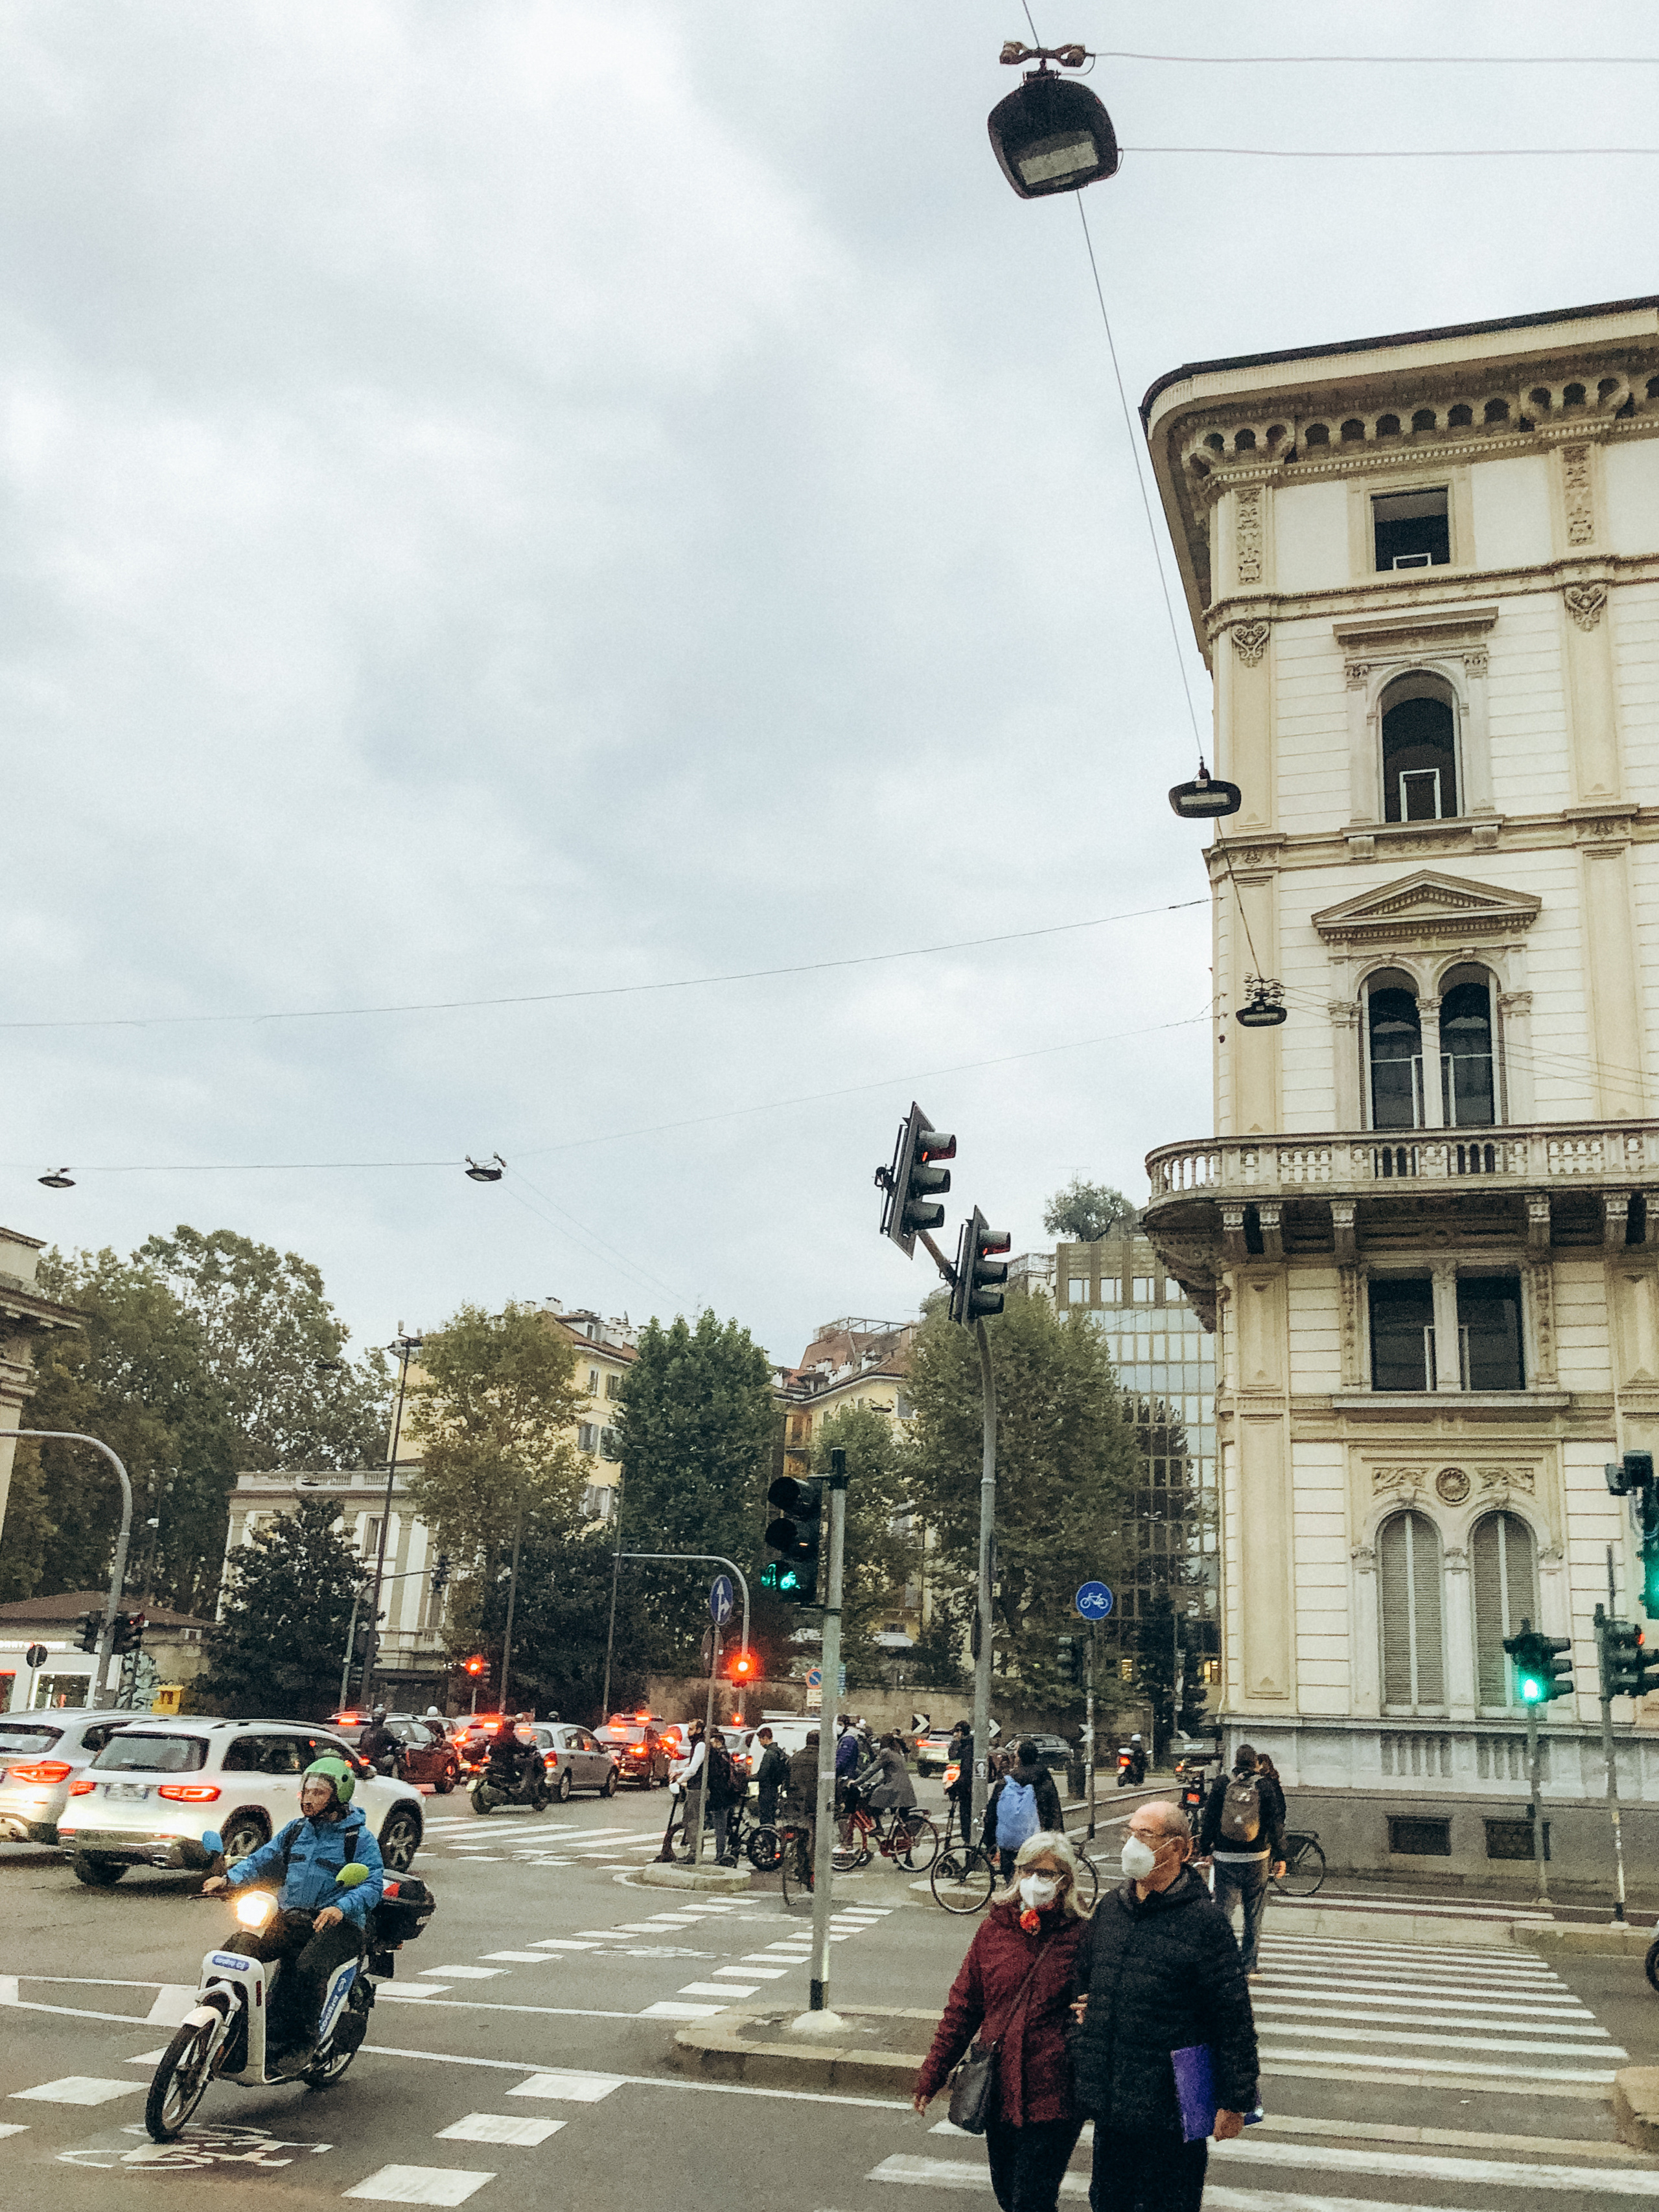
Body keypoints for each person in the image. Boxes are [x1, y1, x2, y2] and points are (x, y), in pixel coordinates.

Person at [1070, 1799, 1259, 2212]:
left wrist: (1235, 2099)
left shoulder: (1204, 1923)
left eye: (1144, 1835)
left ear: (1177, 1849)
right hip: (1114, 2100)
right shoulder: (1112, 1909)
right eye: (1129, 1833)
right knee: (1108, 2202)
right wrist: (1086, 2017)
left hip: (1171, 2106)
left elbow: (1232, 2016)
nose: (1131, 1845)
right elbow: (1084, 1979)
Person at [913, 1832, 1093, 2212]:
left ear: (1066, 1882)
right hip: (998, 2088)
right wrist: (934, 2073)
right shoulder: (994, 1929)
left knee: (1032, 2199)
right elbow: (963, 2008)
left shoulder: (1081, 1936)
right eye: (1030, 1870)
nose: (1037, 1881)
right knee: (1008, 2195)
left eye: (1049, 1873)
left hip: (1054, 2093)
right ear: (1017, 1873)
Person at [202, 1757, 384, 2063]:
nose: (309, 1800)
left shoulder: (358, 1839)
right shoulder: (296, 1830)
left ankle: (302, 2044)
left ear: (338, 1797)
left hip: (340, 1926)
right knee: (238, 1951)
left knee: (308, 1968)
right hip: (294, 1917)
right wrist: (227, 1879)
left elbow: (373, 1884)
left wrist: (341, 1908)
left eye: (319, 1793)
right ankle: (236, 2032)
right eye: (307, 1792)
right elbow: (262, 1861)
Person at [1196, 1742, 1286, 1979]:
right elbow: (1276, 1823)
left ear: (1235, 1763)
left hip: (1225, 1858)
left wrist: (1205, 1847)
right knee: (1253, 1914)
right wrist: (1281, 1856)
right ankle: (1249, 1965)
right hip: (1257, 1858)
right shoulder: (1266, 1786)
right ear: (1256, 1763)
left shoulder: (1222, 1783)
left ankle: (1219, 1962)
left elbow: (1210, 1817)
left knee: (1223, 1912)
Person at [984, 1738, 1064, 1881]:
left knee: (1011, 1879)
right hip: (1038, 1842)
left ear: (1019, 1758)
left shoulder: (1006, 1782)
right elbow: (1054, 1809)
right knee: (1037, 1879)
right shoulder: (1044, 1777)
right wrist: (1059, 1836)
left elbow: (992, 1815)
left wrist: (989, 1842)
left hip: (1011, 1843)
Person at [703, 1727, 743, 1865]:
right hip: (729, 1795)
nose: (710, 1742)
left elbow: (716, 1778)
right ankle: (729, 1849)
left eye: (712, 1740)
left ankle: (720, 1854)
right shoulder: (725, 1755)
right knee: (725, 1825)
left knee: (720, 1827)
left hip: (721, 1797)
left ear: (718, 1741)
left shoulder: (719, 1756)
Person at [869, 1732, 917, 1835]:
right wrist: (877, 1783)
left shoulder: (886, 1752)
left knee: (874, 1802)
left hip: (895, 1788)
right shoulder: (898, 1753)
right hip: (906, 1789)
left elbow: (873, 1769)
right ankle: (904, 1838)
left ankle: (879, 1827)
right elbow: (891, 1773)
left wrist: (858, 1782)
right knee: (903, 1817)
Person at [753, 1727, 790, 1825]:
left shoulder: (769, 1754)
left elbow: (762, 1774)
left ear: (765, 1738)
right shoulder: (778, 1751)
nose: (760, 1743)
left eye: (760, 1740)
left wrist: (747, 1779)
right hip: (774, 1789)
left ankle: (767, 1839)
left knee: (765, 1817)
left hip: (767, 1790)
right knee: (771, 1817)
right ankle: (771, 1837)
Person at [945, 1721, 974, 1846]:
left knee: (967, 1820)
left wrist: (953, 1788)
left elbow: (965, 1772)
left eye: (956, 1732)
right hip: (964, 1788)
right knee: (966, 1819)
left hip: (967, 1790)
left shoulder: (967, 1747)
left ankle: (969, 1848)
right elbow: (953, 1761)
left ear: (961, 1731)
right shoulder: (964, 1745)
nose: (954, 1735)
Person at [358, 1707, 401, 1777]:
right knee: (383, 1773)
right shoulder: (384, 1732)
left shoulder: (366, 1730)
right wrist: (399, 1743)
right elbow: (393, 1742)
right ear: (383, 1718)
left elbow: (360, 1743)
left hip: (365, 1756)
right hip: (377, 1758)